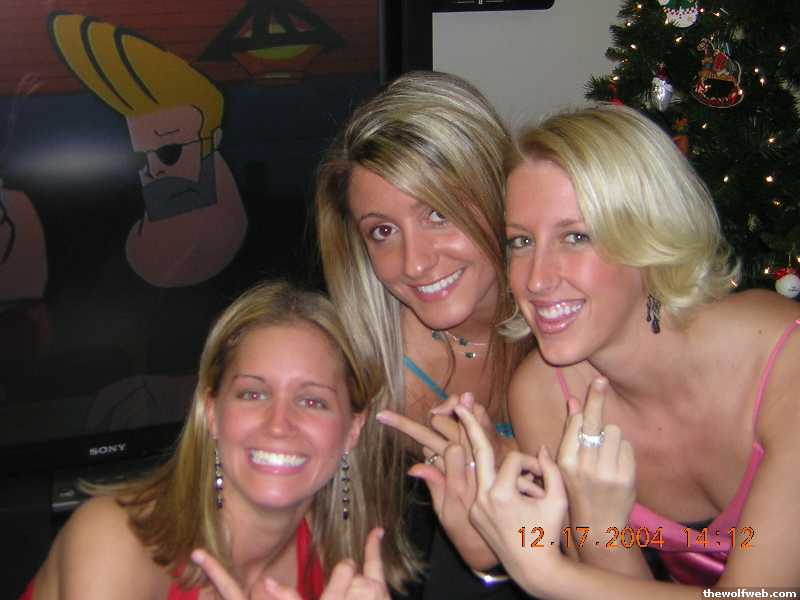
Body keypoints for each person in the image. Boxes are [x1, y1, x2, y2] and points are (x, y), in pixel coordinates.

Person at [455, 103, 800, 598]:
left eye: (576, 237)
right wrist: (599, 529)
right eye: (521, 242)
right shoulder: (546, 397)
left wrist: (547, 574)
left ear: (650, 237)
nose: (535, 280)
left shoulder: (784, 358)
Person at [20, 280, 412, 600]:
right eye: (253, 394)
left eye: (312, 401)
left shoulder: (344, 563)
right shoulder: (117, 540)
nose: (279, 424)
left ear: (353, 429)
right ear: (211, 412)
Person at [314, 71, 533, 598]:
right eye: (382, 231)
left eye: (437, 213)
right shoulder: (362, 378)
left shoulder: (571, 329)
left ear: (498, 196)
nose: (414, 263)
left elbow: (610, 541)